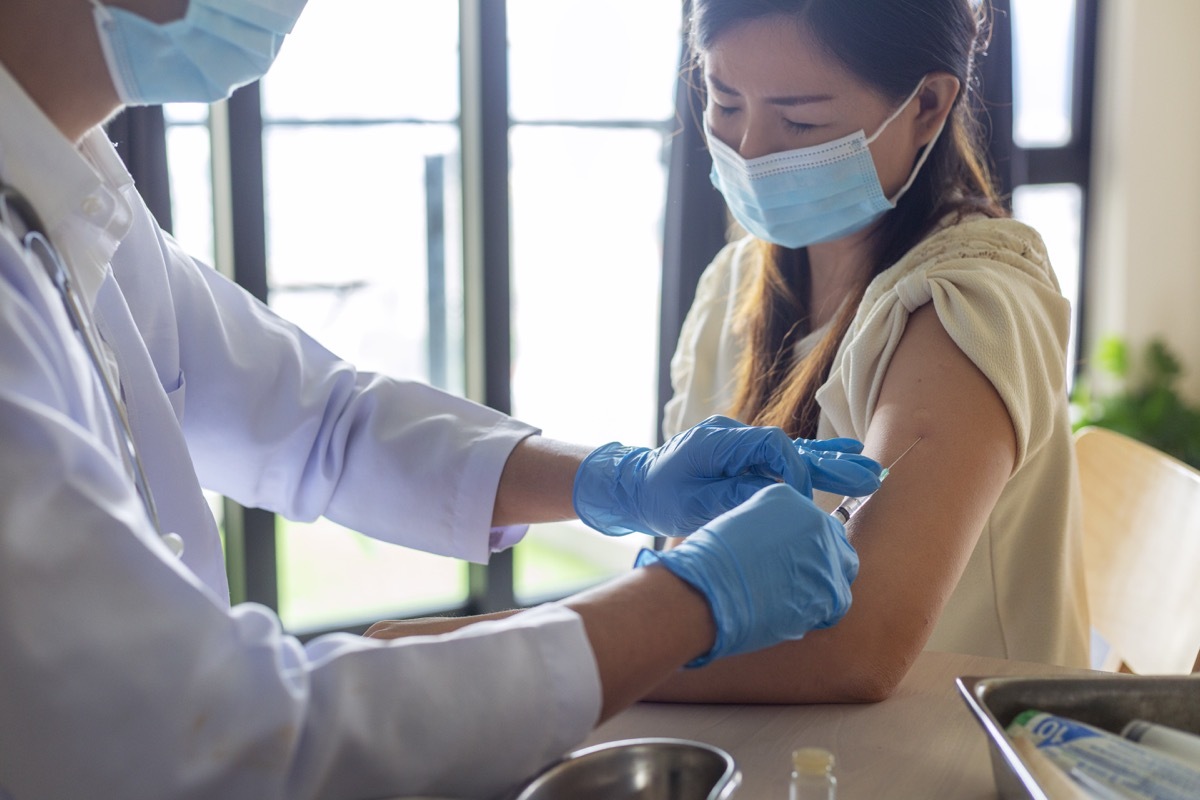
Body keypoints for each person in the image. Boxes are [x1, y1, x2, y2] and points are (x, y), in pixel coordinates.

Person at [0, 1, 887, 799]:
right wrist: (691, 600)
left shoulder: (73, 178)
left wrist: (618, 481)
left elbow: (322, 422)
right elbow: (226, 736)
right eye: (727, 105)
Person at [650, 0, 1091, 702]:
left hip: (949, 760)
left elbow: (861, 642)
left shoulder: (966, 303)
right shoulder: (735, 283)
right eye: (726, 102)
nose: (750, 150)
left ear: (926, 104)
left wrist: (565, 656)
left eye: (799, 120)